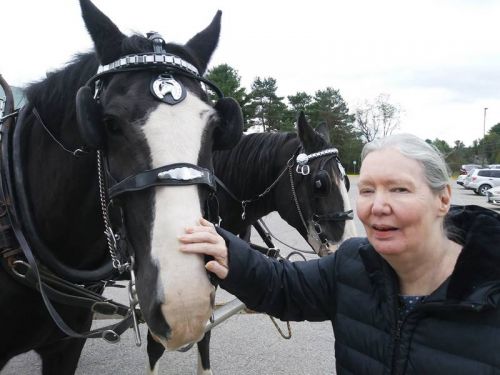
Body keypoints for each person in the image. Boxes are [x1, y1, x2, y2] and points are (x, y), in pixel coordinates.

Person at [179, 133, 500, 374]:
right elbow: (281, 286)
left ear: (443, 198)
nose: (377, 206)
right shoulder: (354, 264)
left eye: (399, 189)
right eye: (368, 190)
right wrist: (226, 248)